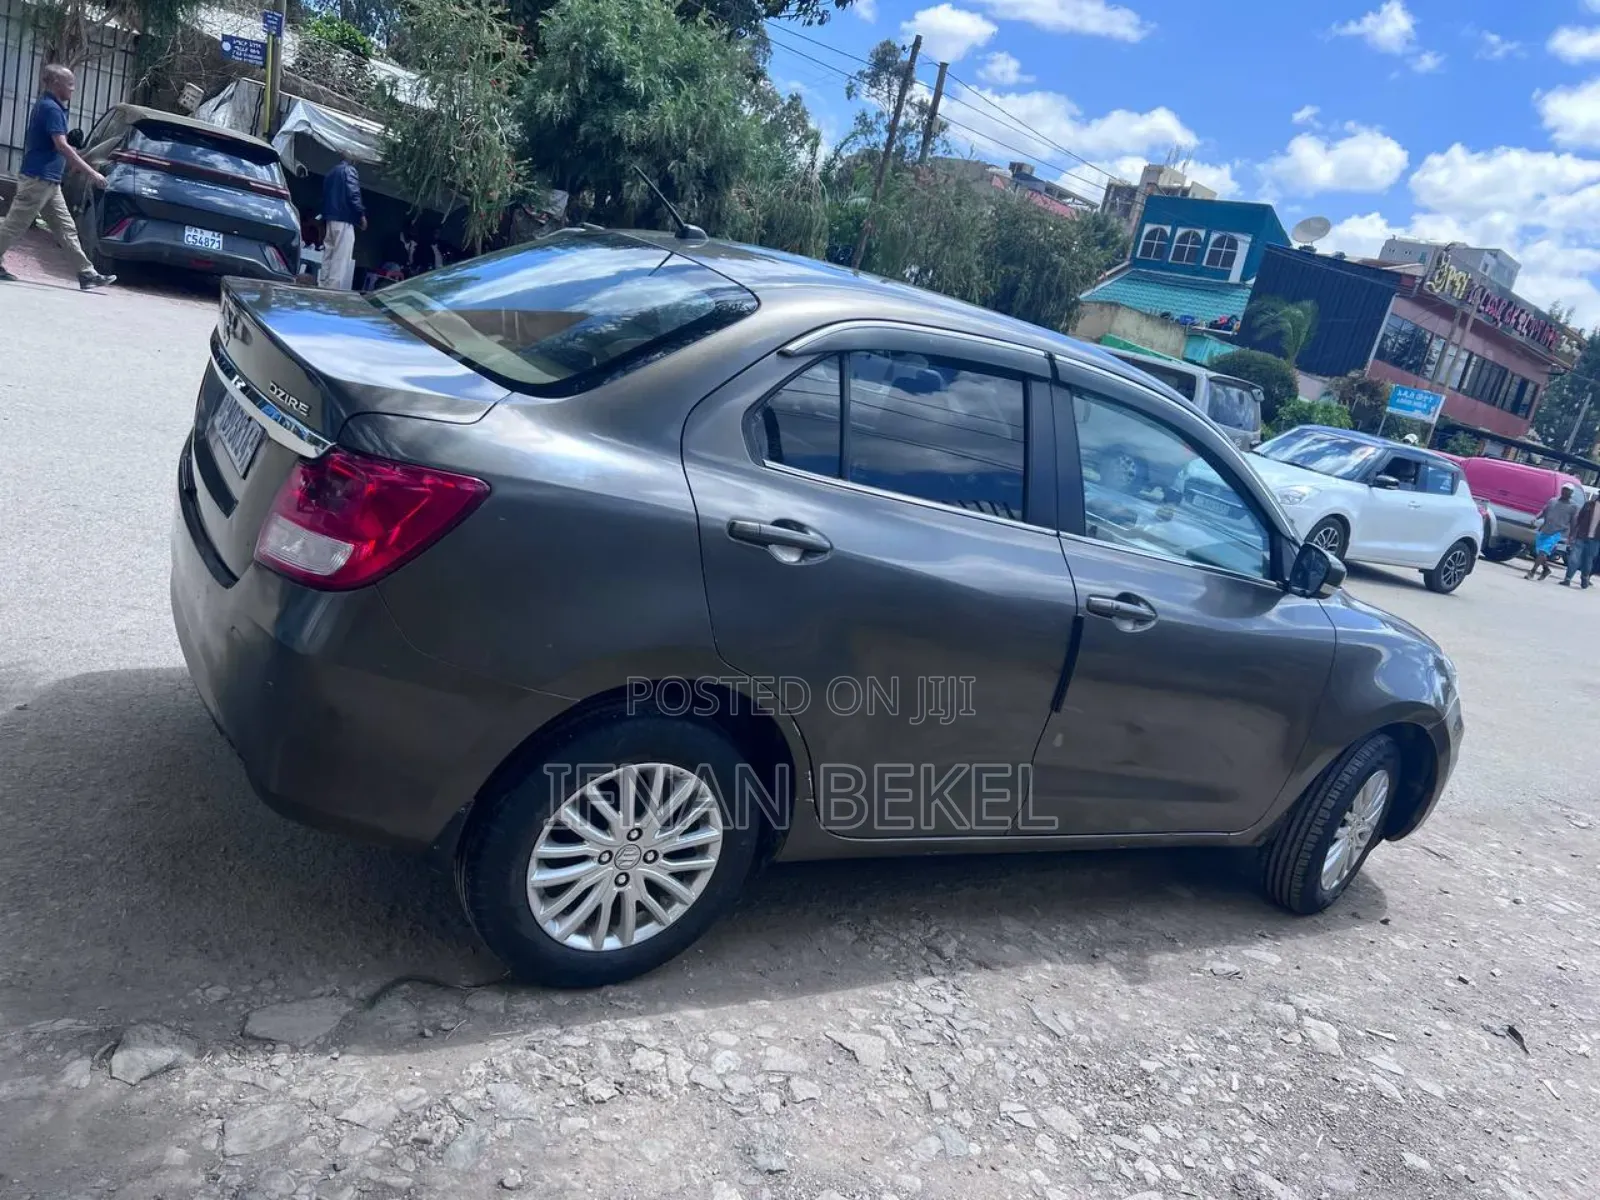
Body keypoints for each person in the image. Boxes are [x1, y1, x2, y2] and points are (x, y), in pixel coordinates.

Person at [0, 64, 116, 290]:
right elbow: (61, 145)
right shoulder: (51, 108)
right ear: (55, 83)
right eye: (69, 84)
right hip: (38, 180)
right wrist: (91, 172)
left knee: (66, 228)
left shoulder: (50, 106)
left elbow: (59, 146)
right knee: (15, 225)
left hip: (49, 181)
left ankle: (87, 274)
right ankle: (87, 273)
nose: (73, 89)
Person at [317, 154, 366, 290]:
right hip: (344, 219)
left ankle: (322, 285)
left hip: (330, 218)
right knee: (341, 257)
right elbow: (353, 193)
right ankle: (332, 290)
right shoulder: (349, 170)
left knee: (329, 253)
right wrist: (361, 214)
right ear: (353, 158)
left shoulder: (331, 172)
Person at [1528, 483, 1580, 581]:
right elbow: (1544, 511)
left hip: (1557, 533)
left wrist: (1571, 536)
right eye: (1564, 489)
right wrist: (1535, 518)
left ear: (1571, 493)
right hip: (1545, 529)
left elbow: (1573, 522)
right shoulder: (1553, 501)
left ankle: (1532, 571)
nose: (1565, 492)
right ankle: (1546, 569)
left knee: (1543, 551)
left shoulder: (1573, 507)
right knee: (1540, 553)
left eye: (1567, 490)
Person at [1562, 488, 1600, 589]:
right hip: (1581, 536)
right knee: (1574, 558)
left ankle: (1585, 577)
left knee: (1588, 560)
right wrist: (1572, 534)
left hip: (1595, 540)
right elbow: (1579, 519)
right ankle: (1567, 579)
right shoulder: (1588, 505)